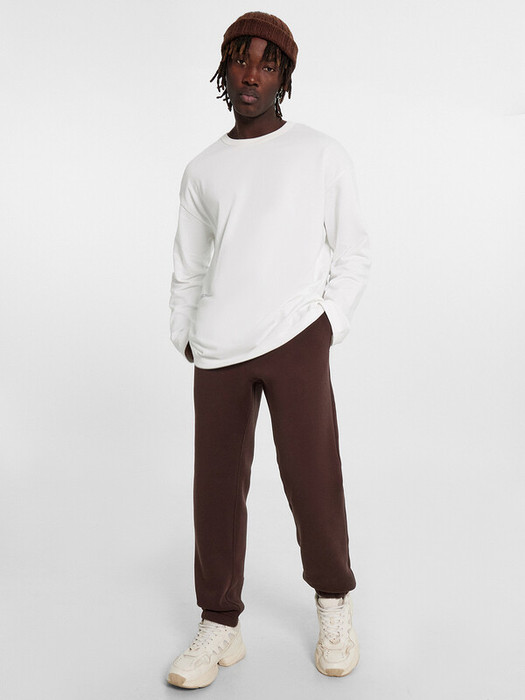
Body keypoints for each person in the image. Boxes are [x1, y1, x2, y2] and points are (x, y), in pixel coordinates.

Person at [166, 11, 371, 689]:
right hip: (218, 346)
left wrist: (326, 324)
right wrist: (184, 332)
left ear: (285, 76)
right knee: (216, 489)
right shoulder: (203, 169)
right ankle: (219, 623)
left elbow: (353, 251)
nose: (251, 74)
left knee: (312, 477)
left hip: (295, 338)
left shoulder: (319, 153)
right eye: (241, 60)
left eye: (267, 63)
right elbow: (189, 266)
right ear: (224, 70)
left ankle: (333, 603)